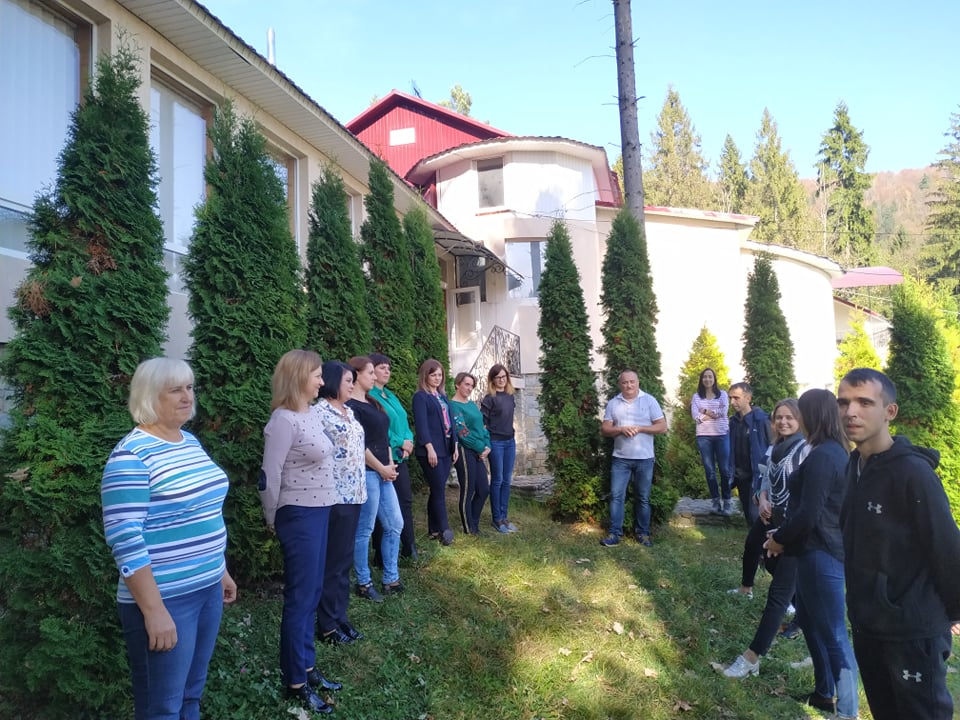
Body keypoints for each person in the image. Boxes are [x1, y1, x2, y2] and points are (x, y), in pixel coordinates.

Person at [102, 357, 238, 720]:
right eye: (175, 390)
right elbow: (125, 540)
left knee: (191, 695)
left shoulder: (188, 442)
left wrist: (220, 570)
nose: (187, 397)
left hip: (207, 588)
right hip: (166, 599)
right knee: (161, 707)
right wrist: (154, 610)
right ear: (149, 396)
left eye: (190, 388)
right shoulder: (130, 456)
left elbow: (203, 514)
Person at [838, 368, 960, 720]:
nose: (851, 412)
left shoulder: (913, 474)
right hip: (868, 624)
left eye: (864, 402)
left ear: (889, 411)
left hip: (911, 630)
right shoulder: (854, 466)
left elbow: (945, 544)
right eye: (843, 403)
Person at [763, 389, 858, 720]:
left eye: (800, 412)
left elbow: (809, 514)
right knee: (813, 625)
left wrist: (779, 539)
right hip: (811, 550)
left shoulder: (825, 456)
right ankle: (823, 693)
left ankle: (847, 712)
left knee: (834, 635)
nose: (797, 419)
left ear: (812, 415)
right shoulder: (827, 451)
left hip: (822, 554)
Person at [260, 350, 340, 715]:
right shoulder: (283, 420)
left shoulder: (310, 413)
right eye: (317, 375)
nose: (322, 381)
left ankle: (308, 667)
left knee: (313, 593)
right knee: (300, 598)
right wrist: (273, 518)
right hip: (298, 516)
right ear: (297, 378)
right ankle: (294, 680)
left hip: (320, 512)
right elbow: (269, 475)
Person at [722, 399, 812, 685]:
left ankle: (753, 657)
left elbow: (806, 495)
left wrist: (785, 529)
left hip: (792, 528)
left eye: (789, 417)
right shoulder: (777, 446)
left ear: (801, 419)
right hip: (769, 516)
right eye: (779, 417)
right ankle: (804, 620)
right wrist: (762, 500)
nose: (783, 422)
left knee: (779, 592)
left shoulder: (806, 450)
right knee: (763, 557)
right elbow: (766, 477)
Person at [315, 361, 369, 642]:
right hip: (335, 496)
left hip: (355, 494)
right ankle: (327, 624)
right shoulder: (319, 413)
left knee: (344, 560)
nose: (352, 385)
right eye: (348, 380)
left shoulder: (349, 412)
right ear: (333, 381)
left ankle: (340, 617)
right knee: (334, 563)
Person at [346, 356, 404, 599]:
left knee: (395, 524)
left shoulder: (372, 401)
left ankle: (391, 578)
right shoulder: (350, 406)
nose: (374, 376)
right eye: (370, 372)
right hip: (367, 473)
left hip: (384, 471)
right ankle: (364, 582)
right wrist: (380, 468)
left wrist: (389, 464)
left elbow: (383, 436)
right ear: (356, 375)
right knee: (365, 529)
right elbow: (359, 445)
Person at [599, 369, 667, 547]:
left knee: (643, 498)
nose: (628, 385)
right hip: (620, 459)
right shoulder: (613, 403)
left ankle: (643, 534)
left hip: (645, 458)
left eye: (632, 382)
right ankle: (614, 534)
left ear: (638, 383)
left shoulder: (649, 400)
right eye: (624, 382)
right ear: (620, 384)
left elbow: (662, 427)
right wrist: (620, 429)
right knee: (616, 496)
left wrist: (640, 428)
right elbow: (605, 429)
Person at [369, 352, 418, 561]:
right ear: (371, 371)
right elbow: (378, 427)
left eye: (388, 368)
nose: (387, 371)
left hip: (400, 457)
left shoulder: (390, 395)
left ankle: (409, 546)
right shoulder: (369, 396)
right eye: (382, 368)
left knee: (405, 500)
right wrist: (399, 442)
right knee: (381, 507)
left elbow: (404, 421)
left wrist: (409, 441)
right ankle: (381, 554)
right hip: (381, 458)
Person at [413, 359, 459, 545]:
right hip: (431, 450)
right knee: (439, 490)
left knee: (437, 489)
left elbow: (451, 423)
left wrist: (455, 445)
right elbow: (422, 426)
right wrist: (429, 448)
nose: (437, 378)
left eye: (440, 375)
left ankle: (433, 529)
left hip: (446, 449)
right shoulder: (421, 397)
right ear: (426, 376)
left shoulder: (442, 396)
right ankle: (444, 530)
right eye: (433, 375)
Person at [450, 372, 492, 535]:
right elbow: (462, 433)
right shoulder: (453, 406)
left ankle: (474, 523)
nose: (469, 388)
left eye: (472, 386)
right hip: (465, 451)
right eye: (466, 384)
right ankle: (469, 529)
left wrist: (487, 446)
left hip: (478, 451)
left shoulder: (472, 404)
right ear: (457, 384)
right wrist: (480, 447)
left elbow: (482, 427)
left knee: (483, 489)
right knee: (468, 490)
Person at [481, 363, 518, 533]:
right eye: (498, 377)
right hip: (496, 443)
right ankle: (497, 519)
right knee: (497, 480)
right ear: (492, 380)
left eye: (504, 377)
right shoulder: (489, 399)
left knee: (507, 480)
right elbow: (483, 424)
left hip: (510, 442)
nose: (501, 380)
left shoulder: (510, 396)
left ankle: (504, 517)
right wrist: (485, 443)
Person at [728, 382, 771, 524]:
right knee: (748, 515)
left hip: (758, 477)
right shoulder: (733, 422)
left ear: (748, 398)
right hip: (741, 477)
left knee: (756, 515)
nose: (732, 402)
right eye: (730, 398)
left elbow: (773, 445)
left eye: (736, 398)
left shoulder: (762, 420)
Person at [691, 368, 733, 516]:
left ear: (714, 379)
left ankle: (727, 501)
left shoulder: (723, 395)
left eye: (710, 377)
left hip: (722, 435)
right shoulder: (696, 397)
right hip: (704, 436)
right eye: (705, 377)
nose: (707, 379)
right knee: (710, 471)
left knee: (725, 470)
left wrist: (704, 411)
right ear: (701, 379)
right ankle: (715, 502)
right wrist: (711, 414)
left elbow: (723, 412)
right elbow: (695, 416)